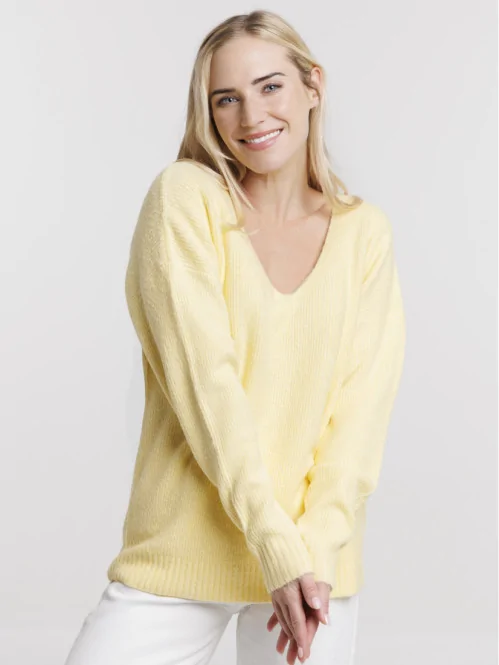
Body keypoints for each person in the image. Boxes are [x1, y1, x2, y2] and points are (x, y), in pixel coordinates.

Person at [64, 9, 406, 665]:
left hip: (313, 567)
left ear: (313, 85)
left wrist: (311, 553)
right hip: (185, 550)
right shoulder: (185, 200)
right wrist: (274, 545)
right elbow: (207, 389)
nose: (251, 115)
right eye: (227, 98)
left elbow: (360, 420)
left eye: (270, 86)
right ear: (209, 113)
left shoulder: (365, 234)